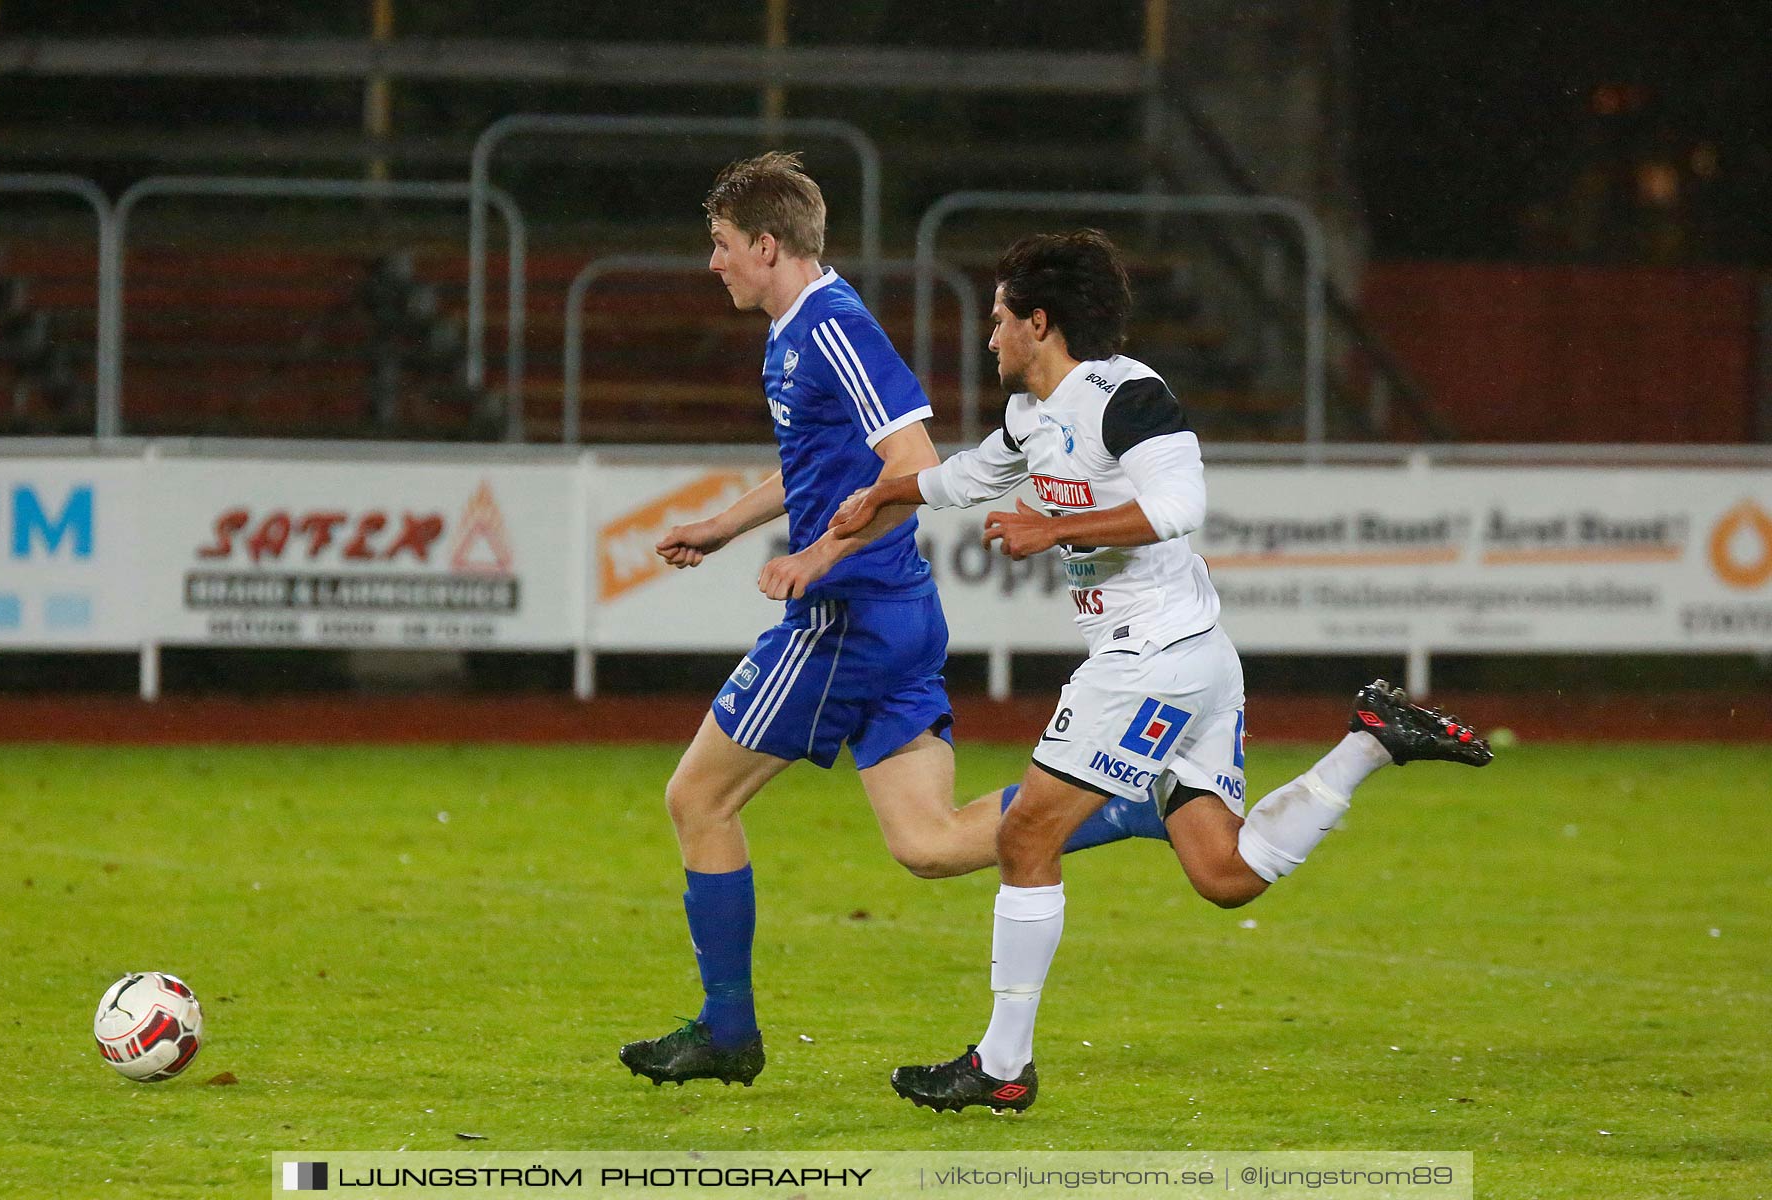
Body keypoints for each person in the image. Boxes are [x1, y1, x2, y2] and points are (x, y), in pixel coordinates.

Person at [831, 229, 1493, 1113]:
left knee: (1028, 836)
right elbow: (965, 477)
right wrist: (883, 494)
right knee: (1224, 875)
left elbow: (1182, 506)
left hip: (1153, 662)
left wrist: (1053, 529)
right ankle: (1370, 744)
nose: (989, 338)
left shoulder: (1128, 395)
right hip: (1197, 663)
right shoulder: (1033, 417)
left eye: (999, 320)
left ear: (1040, 321)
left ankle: (1001, 1065)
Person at [619, 157, 1170, 1092]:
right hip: (896, 614)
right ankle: (1128, 805)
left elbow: (909, 465)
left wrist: (816, 559)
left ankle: (727, 1030)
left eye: (720, 246)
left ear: (765, 245)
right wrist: (720, 528)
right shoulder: (796, 330)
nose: (712, 265)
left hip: (850, 619)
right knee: (927, 844)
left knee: (696, 801)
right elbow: (822, 473)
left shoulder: (835, 329)